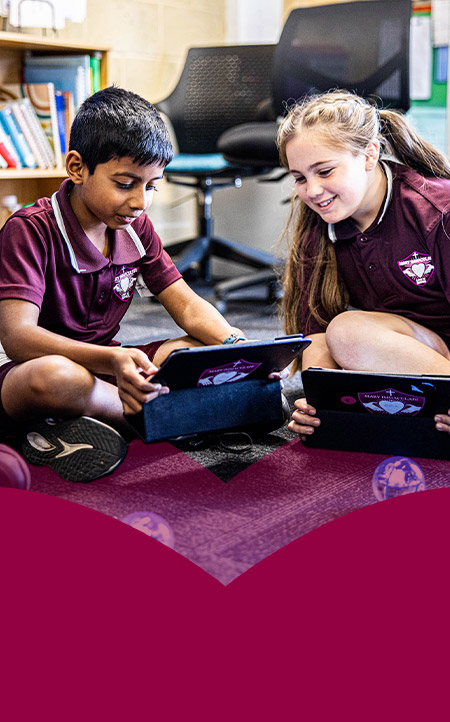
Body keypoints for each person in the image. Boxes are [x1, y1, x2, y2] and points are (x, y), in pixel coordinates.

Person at [0, 86, 249, 481]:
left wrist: (238, 348)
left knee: (194, 352)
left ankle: (84, 425)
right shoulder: (29, 230)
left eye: (151, 186)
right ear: (78, 168)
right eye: (125, 183)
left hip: (112, 369)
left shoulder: (136, 226)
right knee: (56, 378)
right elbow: (17, 338)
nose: (140, 202)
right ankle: (171, 417)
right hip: (40, 373)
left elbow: (185, 303)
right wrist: (111, 361)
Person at [276, 89, 450, 441]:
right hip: (410, 349)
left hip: (439, 351)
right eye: (299, 178)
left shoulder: (437, 211)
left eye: (324, 171)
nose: (312, 191)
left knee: (350, 332)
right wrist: (317, 404)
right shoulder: (321, 220)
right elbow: (316, 332)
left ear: (369, 154)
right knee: (335, 338)